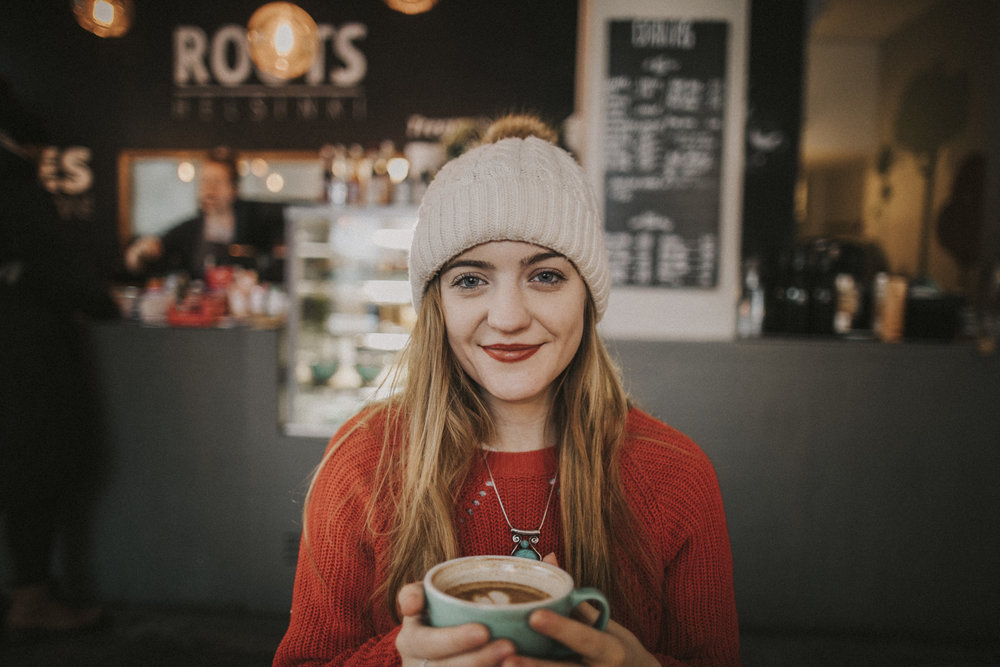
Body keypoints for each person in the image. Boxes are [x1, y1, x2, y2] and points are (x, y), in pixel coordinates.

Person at [273, 114, 739, 666]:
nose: (510, 317)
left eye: (545, 276)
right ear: (436, 305)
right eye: (470, 280)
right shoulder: (363, 461)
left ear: (586, 298)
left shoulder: (674, 475)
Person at [1, 78, 116, 638]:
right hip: (25, 364)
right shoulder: (15, 185)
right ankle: (31, 599)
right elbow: (71, 279)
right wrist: (104, 300)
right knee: (33, 471)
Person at [122, 147, 285, 283]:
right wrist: (138, 255)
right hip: (200, 315)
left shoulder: (257, 224)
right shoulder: (188, 230)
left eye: (218, 182)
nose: (210, 189)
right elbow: (147, 263)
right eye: (205, 181)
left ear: (234, 189)